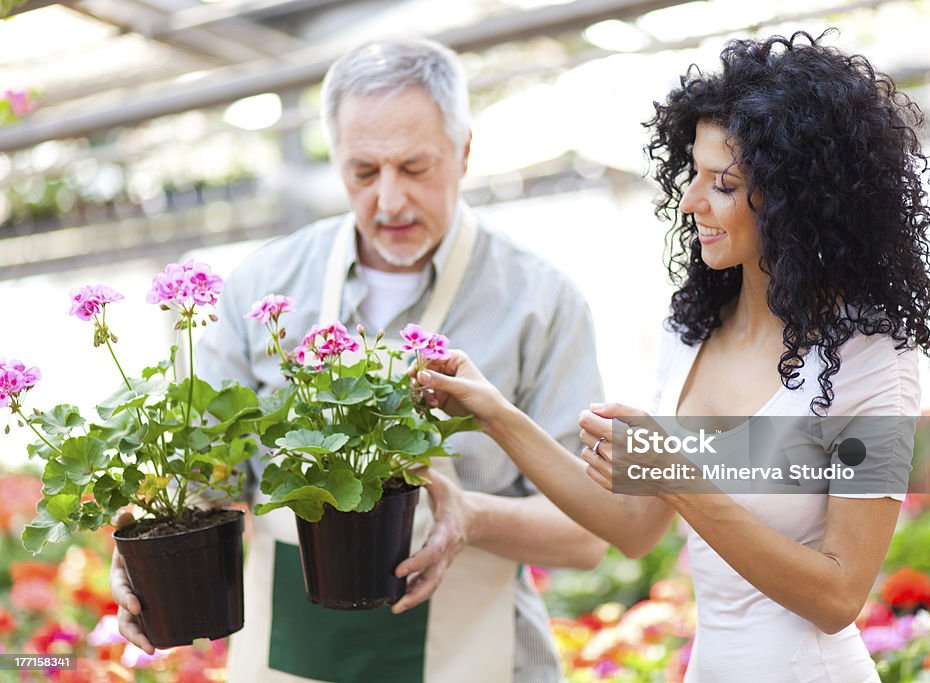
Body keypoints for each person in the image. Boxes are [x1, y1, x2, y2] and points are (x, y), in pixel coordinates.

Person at [414, 31, 930, 682]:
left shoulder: (871, 359)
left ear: (797, 203)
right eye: (693, 172)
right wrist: (496, 415)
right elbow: (634, 525)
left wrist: (677, 472)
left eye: (723, 184)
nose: (691, 200)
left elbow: (838, 595)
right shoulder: (692, 331)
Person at [110, 38, 608, 683]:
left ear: (463, 152)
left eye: (415, 168)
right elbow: (209, 481)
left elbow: (587, 536)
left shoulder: (541, 301)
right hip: (292, 650)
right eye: (364, 173)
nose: (391, 201)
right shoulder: (263, 282)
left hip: (481, 655)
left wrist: (471, 516)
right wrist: (146, 543)